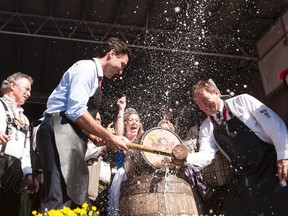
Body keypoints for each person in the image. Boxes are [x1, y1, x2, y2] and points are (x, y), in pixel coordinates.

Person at [36, 37, 131, 212]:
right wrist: (108, 135)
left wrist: (94, 136)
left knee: (68, 196)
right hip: (57, 130)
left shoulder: (95, 78)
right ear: (112, 54)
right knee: (57, 195)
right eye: (122, 65)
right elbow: (75, 111)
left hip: (69, 134)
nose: (121, 72)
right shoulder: (86, 68)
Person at [185, 80, 288, 215]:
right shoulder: (207, 127)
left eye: (204, 99)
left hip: (268, 164)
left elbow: (275, 126)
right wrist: (183, 158)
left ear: (216, 93)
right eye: (199, 103)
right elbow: (206, 156)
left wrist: (283, 155)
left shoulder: (243, 102)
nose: (203, 106)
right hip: (243, 173)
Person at [0, 72, 39, 216]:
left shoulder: (25, 119)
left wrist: (28, 174)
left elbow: (25, 151)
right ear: (12, 86)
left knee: (10, 211)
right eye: (27, 89)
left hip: (15, 170)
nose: (29, 93)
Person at [108, 96, 144, 216]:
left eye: (137, 120)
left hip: (139, 179)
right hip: (122, 178)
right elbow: (118, 136)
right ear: (125, 123)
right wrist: (121, 109)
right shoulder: (121, 139)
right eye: (131, 120)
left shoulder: (143, 141)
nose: (134, 122)